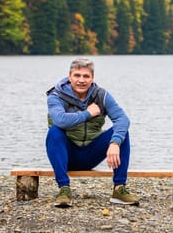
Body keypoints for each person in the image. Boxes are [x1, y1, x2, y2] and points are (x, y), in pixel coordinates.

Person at [45, 57, 138, 207]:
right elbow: (60, 120)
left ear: (92, 78)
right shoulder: (56, 96)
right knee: (54, 132)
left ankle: (119, 189)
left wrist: (114, 142)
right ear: (70, 77)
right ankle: (64, 189)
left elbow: (123, 119)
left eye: (86, 76)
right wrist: (87, 113)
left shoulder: (101, 95)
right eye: (77, 75)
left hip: (91, 153)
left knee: (122, 132)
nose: (81, 80)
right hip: (67, 156)